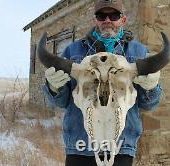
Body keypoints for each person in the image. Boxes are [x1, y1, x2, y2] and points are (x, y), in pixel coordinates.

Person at [43, 0, 162, 165]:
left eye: (113, 15)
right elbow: (61, 102)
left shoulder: (140, 53)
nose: (107, 20)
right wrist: (54, 87)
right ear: (95, 20)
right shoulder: (72, 51)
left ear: (123, 19)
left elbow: (148, 105)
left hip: (122, 146)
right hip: (80, 145)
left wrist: (151, 88)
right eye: (101, 15)